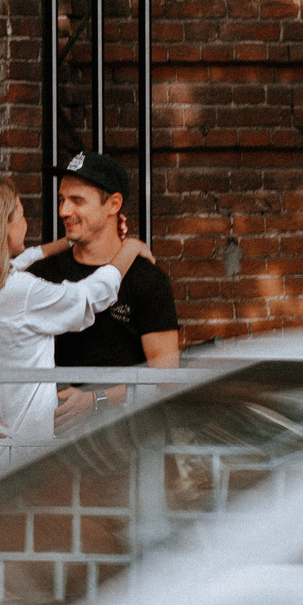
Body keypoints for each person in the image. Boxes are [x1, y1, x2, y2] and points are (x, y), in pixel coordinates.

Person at [0, 177, 152, 483]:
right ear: (2, 227)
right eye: (20, 216)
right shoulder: (19, 292)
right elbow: (88, 298)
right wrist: (130, 248)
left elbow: (19, 263)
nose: (26, 224)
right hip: (23, 460)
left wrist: (65, 243)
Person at [29, 151, 180, 428]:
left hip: (122, 443)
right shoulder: (43, 274)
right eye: (62, 199)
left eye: (77, 200)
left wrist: (96, 400)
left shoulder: (146, 279)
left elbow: (166, 379)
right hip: (48, 444)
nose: (63, 211)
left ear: (113, 204)